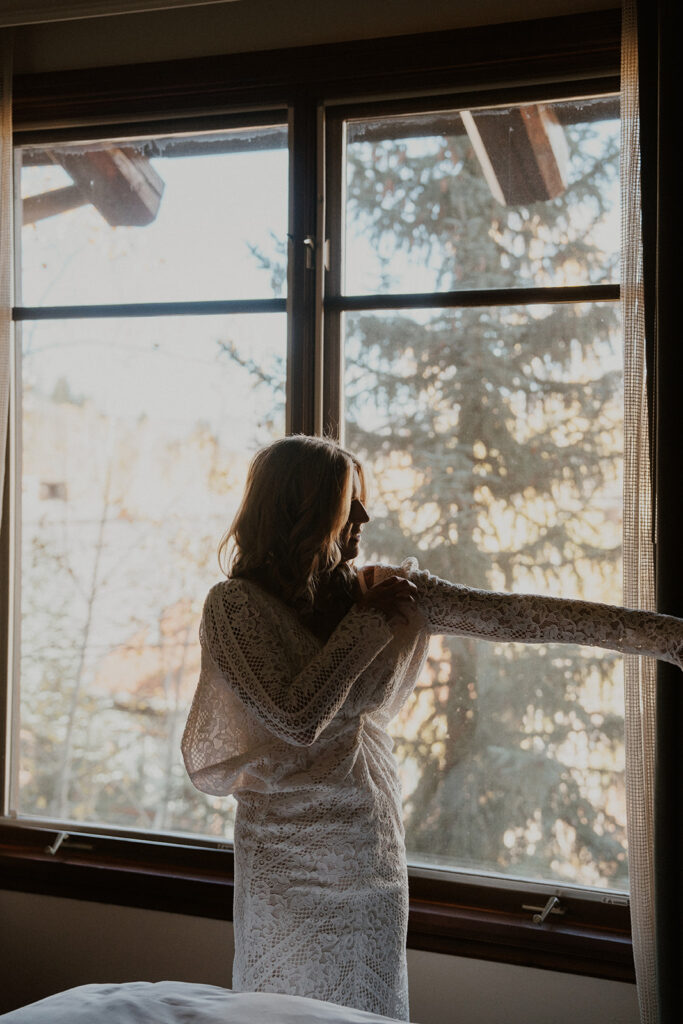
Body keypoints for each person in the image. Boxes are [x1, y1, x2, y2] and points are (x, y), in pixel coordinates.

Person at [182, 435, 683, 1022]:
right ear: (303, 508)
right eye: (350, 502)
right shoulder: (235, 608)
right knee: (276, 1011)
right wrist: (367, 625)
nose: (365, 516)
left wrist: (669, 636)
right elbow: (298, 719)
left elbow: (513, 615)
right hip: (282, 868)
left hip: (369, 856)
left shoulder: (383, 590)